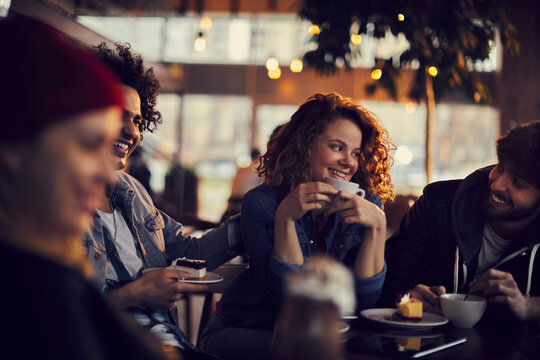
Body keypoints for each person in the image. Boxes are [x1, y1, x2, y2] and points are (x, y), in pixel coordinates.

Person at [0, 15, 168, 359]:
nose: (109, 176)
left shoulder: (55, 267)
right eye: (88, 146)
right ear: (14, 146)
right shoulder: (30, 283)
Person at [200, 92, 394, 360]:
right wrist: (285, 219)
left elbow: (363, 302)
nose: (349, 162)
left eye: (356, 153)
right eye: (337, 147)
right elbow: (287, 297)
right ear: (305, 146)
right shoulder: (262, 203)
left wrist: (378, 227)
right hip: (249, 329)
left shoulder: (367, 205)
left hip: (326, 337)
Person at [84, 42, 241, 359]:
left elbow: (188, 252)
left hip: (170, 343)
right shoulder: (53, 199)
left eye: (139, 121)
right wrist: (136, 293)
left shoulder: (131, 191)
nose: (132, 132)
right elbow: (53, 312)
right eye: (120, 115)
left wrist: (254, 221)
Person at [379, 121, 540, 322]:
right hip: (427, 346)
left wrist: (527, 306)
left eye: (517, 182)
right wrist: (405, 298)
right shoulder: (437, 204)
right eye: (500, 167)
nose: (497, 183)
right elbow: (384, 287)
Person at [221, 148, 263, 222]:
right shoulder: (259, 170)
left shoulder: (240, 169)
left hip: (230, 208)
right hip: (242, 208)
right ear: (259, 157)